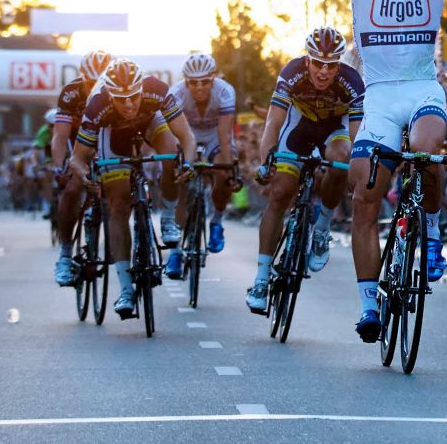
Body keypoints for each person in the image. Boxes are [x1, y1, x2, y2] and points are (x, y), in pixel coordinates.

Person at [344, 0, 447, 342]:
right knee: (364, 196)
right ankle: (370, 305)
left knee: (429, 152)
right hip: (380, 96)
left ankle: (431, 233)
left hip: (422, 87)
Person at [246, 27, 363, 313]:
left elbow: (357, 133)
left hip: (333, 130)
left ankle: (322, 227)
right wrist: (266, 162)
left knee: (341, 158)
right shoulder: (292, 71)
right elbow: (273, 122)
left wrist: (357, 170)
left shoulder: (352, 81)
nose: (324, 72)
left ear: (340, 64)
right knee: (281, 191)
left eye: (331, 65)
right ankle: (261, 277)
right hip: (298, 127)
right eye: (318, 63)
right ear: (307, 60)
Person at [67, 59, 196, 317]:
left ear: (141, 89)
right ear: (109, 95)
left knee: (172, 155)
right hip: (111, 131)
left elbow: (187, 137)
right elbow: (77, 159)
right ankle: (126, 289)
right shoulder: (97, 105)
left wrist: (188, 163)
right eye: (120, 99)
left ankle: (168, 218)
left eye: (133, 97)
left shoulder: (156, 90)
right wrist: (85, 176)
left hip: (149, 121)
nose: (128, 104)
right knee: (118, 204)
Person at [166, 52, 237, 280]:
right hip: (187, 136)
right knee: (183, 185)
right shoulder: (175, 94)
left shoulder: (225, 92)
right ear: (186, 81)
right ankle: (175, 251)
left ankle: (216, 221)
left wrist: (228, 168)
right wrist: (182, 164)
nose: (199, 87)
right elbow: (172, 134)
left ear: (213, 79)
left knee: (222, 173)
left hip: (216, 137)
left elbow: (225, 136)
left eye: (205, 81)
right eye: (193, 82)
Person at [49, 50, 112, 286]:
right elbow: (60, 135)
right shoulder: (70, 93)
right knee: (72, 189)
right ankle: (65, 254)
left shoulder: (118, 92)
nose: (96, 87)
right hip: (79, 144)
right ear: (82, 78)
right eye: (91, 82)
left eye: (102, 83)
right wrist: (59, 167)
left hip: (107, 143)